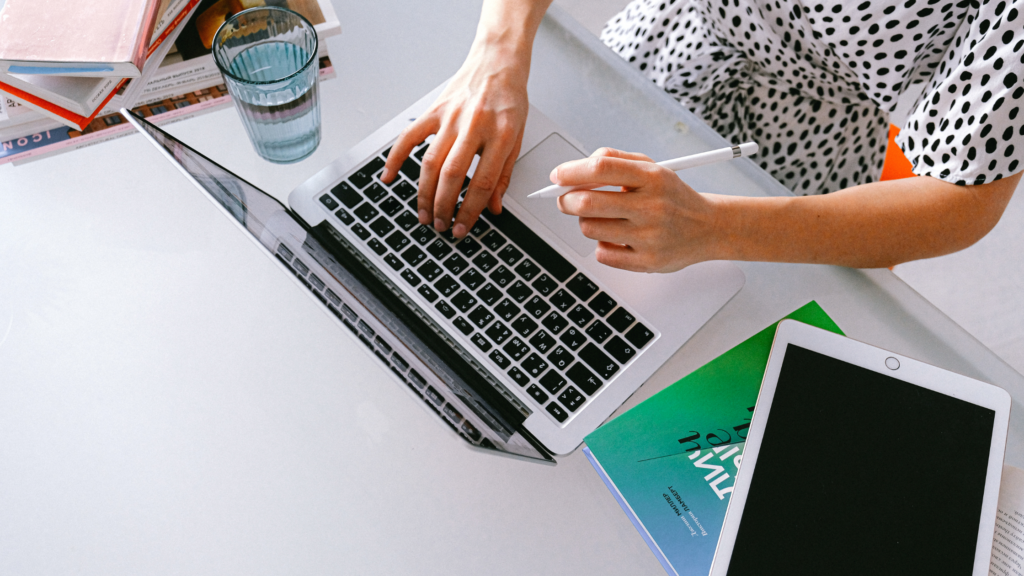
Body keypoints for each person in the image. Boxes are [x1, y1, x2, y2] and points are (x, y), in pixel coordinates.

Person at [381, 0, 1023, 272]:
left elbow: (966, 196)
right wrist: (498, 51)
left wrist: (716, 228)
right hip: (659, 43)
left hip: (802, 161)